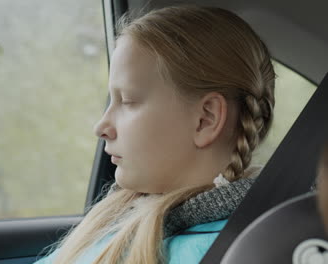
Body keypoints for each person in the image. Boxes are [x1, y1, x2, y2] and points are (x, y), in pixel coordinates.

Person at [34, 5, 275, 264]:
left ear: (206, 119)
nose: (101, 127)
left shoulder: (224, 252)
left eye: (127, 100)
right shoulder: (121, 217)